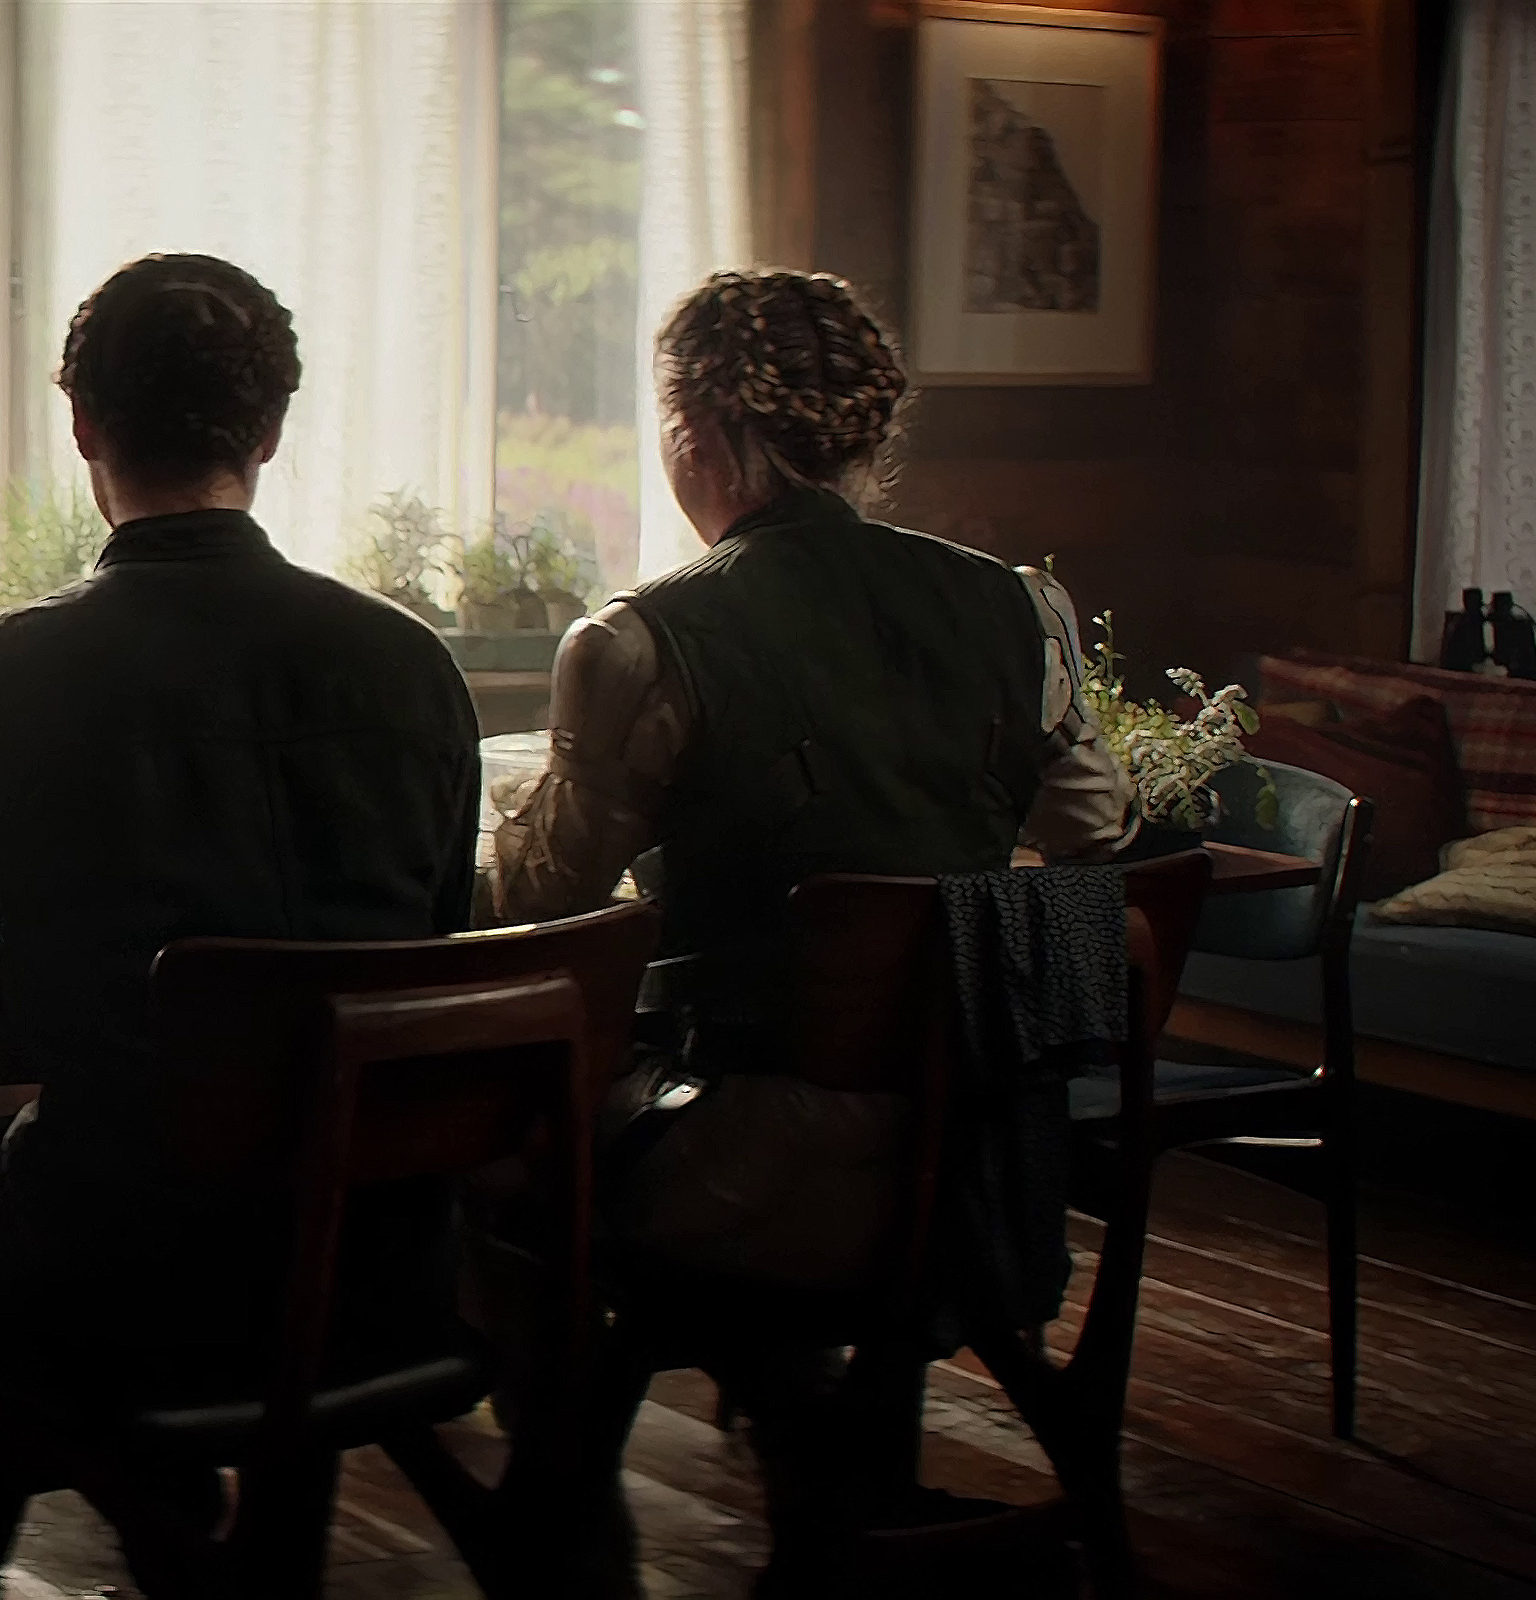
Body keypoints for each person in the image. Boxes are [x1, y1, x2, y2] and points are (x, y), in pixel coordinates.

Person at [0, 253, 481, 1596]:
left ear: (85, 425)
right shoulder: (412, 664)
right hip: (384, 1260)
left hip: (121, 1275)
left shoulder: (9, 673)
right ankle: (185, 1533)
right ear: (271, 432)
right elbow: (426, 963)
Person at [486, 268, 1128, 1592]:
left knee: (485, 1159)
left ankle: (559, 1525)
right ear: (865, 434)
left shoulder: (643, 640)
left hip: (745, 1169)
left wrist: (507, 813)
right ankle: (827, 1470)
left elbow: (543, 896)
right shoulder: (1021, 610)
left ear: (693, 436)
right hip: (983, 1165)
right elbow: (1094, 833)